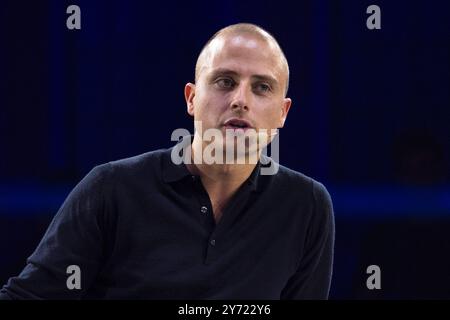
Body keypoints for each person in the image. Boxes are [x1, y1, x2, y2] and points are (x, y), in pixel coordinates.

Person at [0, 23, 335, 300]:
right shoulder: (111, 189)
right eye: (225, 81)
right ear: (192, 98)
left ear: (282, 113)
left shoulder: (307, 206)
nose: (240, 101)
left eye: (261, 87)